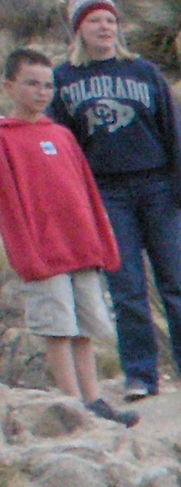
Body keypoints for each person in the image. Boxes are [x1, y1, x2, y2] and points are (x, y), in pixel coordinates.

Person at [51, 0, 181, 402]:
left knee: (177, 283)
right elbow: (63, 147)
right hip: (106, 194)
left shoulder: (144, 73)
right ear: (79, 29)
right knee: (126, 290)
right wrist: (75, 204)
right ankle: (141, 376)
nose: (104, 27)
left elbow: (172, 130)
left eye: (110, 20)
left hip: (157, 187)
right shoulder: (63, 80)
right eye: (94, 20)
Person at [1, 45, 130, 426]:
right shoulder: (5, 139)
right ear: (9, 86)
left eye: (47, 85)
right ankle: (72, 405)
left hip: (80, 246)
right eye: (31, 83)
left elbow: (87, 191)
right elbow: (9, 205)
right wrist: (27, 255)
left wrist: (102, 242)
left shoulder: (61, 135)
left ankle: (94, 399)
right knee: (58, 327)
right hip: (44, 253)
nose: (41, 92)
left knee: (85, 326)